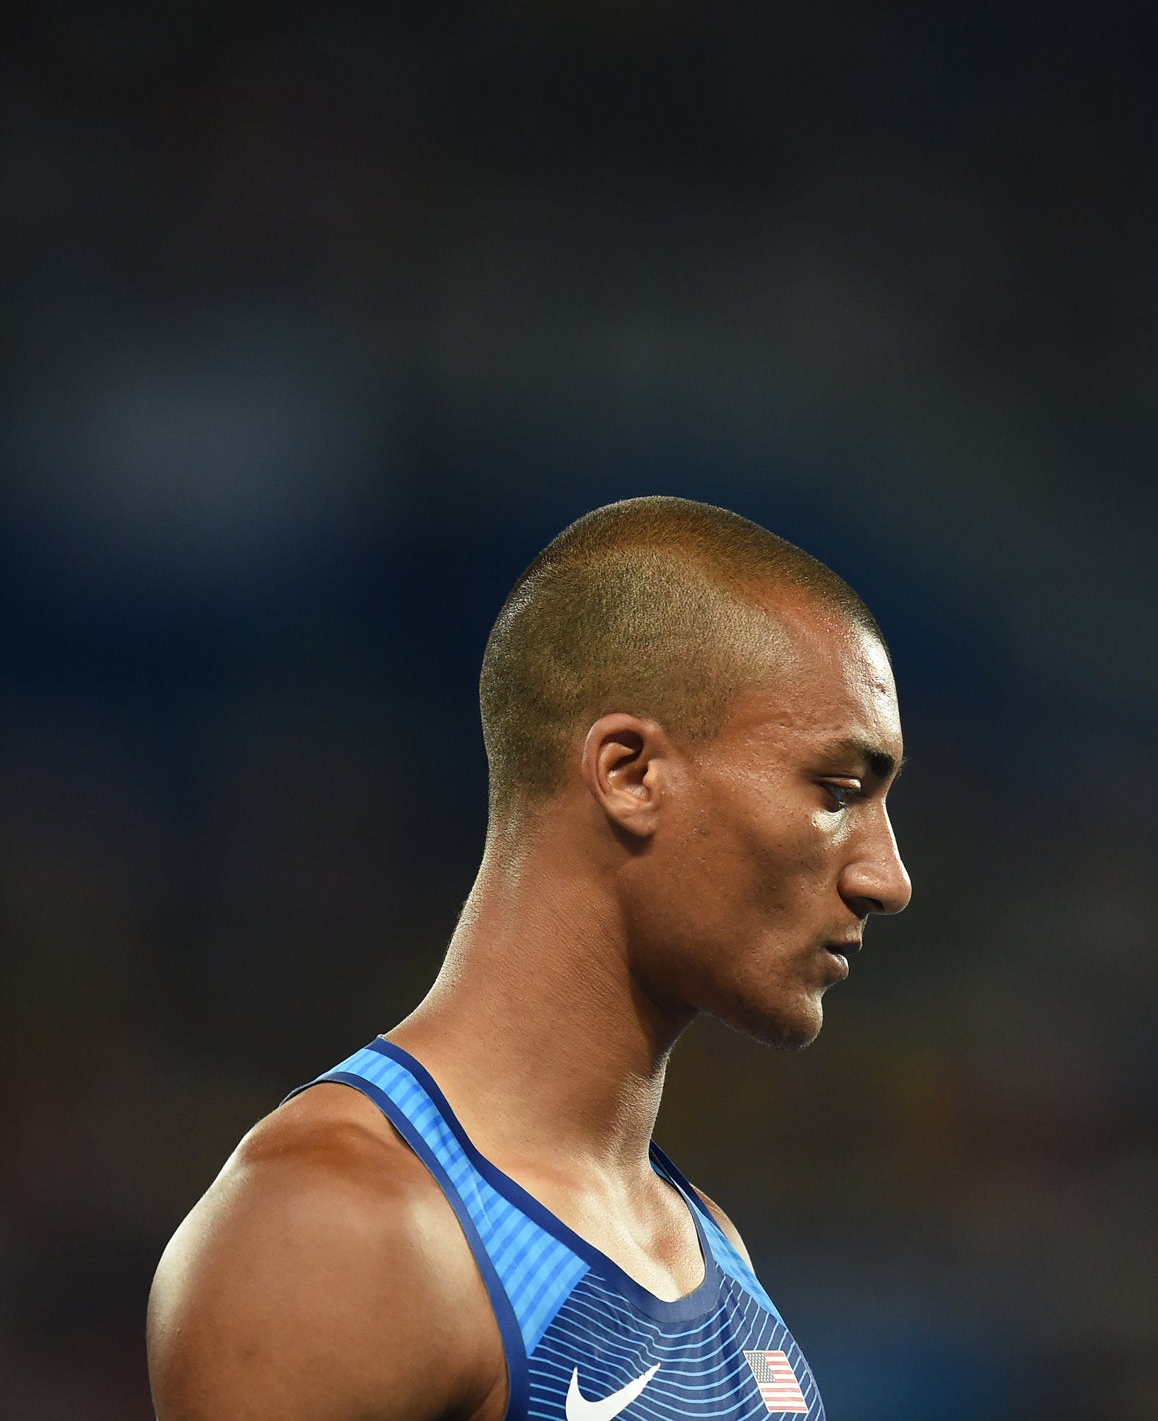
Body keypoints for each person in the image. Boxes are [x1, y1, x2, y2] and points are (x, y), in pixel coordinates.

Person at [147, 496, 912, 1421]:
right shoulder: (335, 1232)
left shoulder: (709, 1250)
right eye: (836, 791)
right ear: (629, 772)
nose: (888, 878)